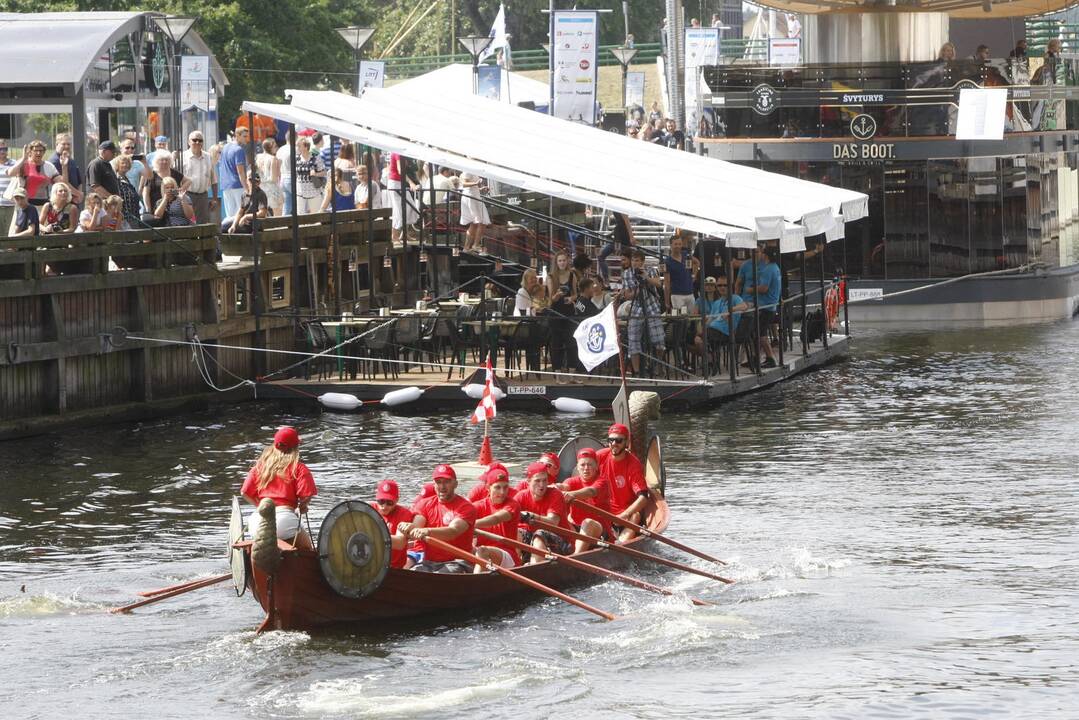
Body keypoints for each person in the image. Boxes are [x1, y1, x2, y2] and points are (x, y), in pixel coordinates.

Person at [241, 426, 318, 549]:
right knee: (308, 551)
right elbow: (306, 495)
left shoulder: (260, 467)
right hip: (285, 521)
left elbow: (244, 492)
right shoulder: (298, 468)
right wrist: (302, 506)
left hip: (258, 521)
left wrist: (263, 508)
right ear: (295, 448)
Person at [402, 464, 478, 573]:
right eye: (438, 482)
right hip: (429, 562)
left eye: (446, 482)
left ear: (455, 484)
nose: (442, 486)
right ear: (434, 485)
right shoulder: (424, 504)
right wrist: (409, 528)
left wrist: (427, 531)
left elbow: (453, 531)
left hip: (458, 562)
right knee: (413, 574)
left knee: (441, 575)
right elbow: (417, 525)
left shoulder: (466, 508)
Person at [596, 423, 652, 542]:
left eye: (618, 440)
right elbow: (581, 474)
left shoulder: (633, 464)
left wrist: (625, 514)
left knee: (635, 515)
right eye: (611, 440)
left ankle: (621, 544)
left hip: (625, 515)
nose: (614, 444)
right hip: (603, 512)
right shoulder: (600, 456)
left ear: (627, 443)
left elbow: (643, 497)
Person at [515, 461, 573, 562]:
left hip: (561, 542)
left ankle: (535, 567)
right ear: (528, 481)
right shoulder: (521, 496)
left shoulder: (555, 494)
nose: (542, 485)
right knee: (515, 532)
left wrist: (532, 516)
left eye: (545, 480)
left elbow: (553, 522)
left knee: (540, 534)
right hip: (535, 540)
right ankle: (516, 564)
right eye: (537, 481)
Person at [735, 244, 781, 369]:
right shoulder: (775, 267)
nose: (756, 254)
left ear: (764, 254)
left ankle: (770, 358)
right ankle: (755, 358)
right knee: (756, 332)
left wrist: (750, 290)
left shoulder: (768, 269)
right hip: (765, 305)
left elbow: (764, 288)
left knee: (761, 334)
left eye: (759, 252)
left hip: (764, 306)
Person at [558, 447, 611, 552]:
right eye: (582, 465)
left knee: (587, 523)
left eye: (590, 464)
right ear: (577, 467)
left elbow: (591, 491)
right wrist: (555, 488)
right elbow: (564, 486)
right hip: (576, 529)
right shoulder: (571, 481)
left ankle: (575, 558)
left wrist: (571, 495)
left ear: (596, 466)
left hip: (599, 531)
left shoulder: (602, 482)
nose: (586, 468)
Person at [622, 249, 666, 376]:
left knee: (659, 339)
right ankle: (636, 371)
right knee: (633, 338)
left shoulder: (651, 270)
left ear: (642, 261)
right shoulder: (626, 274)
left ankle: (658, 365)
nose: (634, 263)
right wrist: (637, 288)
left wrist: (646, 277)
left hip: (651, 305)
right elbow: (626, 295)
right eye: (633, 260)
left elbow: (658, 284)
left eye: (637, 261)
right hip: (636, 306)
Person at [472, 464, 522, 570]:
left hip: (508, 554)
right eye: (497, 487)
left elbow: (496, 518)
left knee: (482, 551)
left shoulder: (513, 505)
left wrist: (470, 524)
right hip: (483, 552)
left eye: (505, 487)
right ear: (488, 488)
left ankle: (475, 584)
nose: (502, 492)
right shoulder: (478, 506)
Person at [692, 275, 748, 367]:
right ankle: (710, 358)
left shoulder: (734, 298)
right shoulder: (717, 302)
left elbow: (744, 306)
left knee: (699, 339)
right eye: (720, 285)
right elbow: (710, 319)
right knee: (689, 338)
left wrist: (731, 309)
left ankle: (711, 360)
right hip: (712, 330)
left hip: (725, 332)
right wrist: (702, 329)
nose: (722, 287)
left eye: (725, 285)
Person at [546, 249, 578, 377]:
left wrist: (571, 298)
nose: (562, 263)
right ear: (556, 262)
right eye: (560, 261)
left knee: (571, 342)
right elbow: (550, 299)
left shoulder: (572, 275)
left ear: (567, 261)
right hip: (556, 312)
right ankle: (557, 372)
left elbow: (576, 294)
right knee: (556, 343)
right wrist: (557, 295)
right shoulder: (551, 277)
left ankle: (572, 372)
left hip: (569, 311)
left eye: (564, 260)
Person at [370, 480, 415, 569]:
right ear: (376, 498)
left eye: (389, 502)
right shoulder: (369, 509)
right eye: (381, 501)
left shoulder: (404, 513)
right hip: (373, 564)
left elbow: (400, 543)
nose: (384, 506)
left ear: (397, 500)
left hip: (394, 567)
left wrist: (371, 536)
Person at [8, 140, 60, 207]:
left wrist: (64, 167)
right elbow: (10, 173)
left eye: (41, 151)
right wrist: (23, 158)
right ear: (30, 152)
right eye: (35, 150)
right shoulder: (23, 164)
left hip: (43, 202)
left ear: (44, 152)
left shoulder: (49, 166)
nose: (38, 153)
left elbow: (60, 182)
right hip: (25, 203)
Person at [183, 131, 218, 224]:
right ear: (189, 142)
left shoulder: (208, 157)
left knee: (202, 224)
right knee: (187, 222)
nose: (197, 142)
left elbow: (213, 179)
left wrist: (214, 199)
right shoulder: (183, 156)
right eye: (194, 140)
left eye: (200, 140)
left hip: (203, 196)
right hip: (187, 195)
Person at [142, 154, 190, 222]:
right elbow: (145, 193)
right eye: (162, 160)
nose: (164, 162)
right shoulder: (152, 174)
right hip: (156, 205)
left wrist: (180, 190)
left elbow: (189, 181)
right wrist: (148, 209)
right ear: (157, 161)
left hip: (174, 205)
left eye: (166, 160)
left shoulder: (174, 172)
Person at [386, 152, 420, 244]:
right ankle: (394, 237)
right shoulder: (397, 152)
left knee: (410, 207)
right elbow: (400, 170)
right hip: (395, 183)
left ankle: (404, 235)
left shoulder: (403, 153)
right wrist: (411, 183)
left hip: (400, 183)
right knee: (399, 210)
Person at [219, 127, 250, 220]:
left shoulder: (225, 147)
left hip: (226, 185)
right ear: (237, 136)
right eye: (244, 136)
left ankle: (230, 233)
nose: (246, 139)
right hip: (238, 185)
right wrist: (247, 189)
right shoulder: (238, 150)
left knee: (230, 216)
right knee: (240, 215)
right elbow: (241, 172)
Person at [664, 234, 697, 314]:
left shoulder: (686, 254)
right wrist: (667, 302)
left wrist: (694, 275)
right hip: (677, 294)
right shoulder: (667, 262)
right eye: (675, 244)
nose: (678, 246)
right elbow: (667, 283)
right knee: (680, 320)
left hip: (690, 293)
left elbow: (697, 262)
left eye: (679, 244)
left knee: (692, 319)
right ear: (671, 245)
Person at [47, 133, 84, 204]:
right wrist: (78, 194)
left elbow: (79, 181)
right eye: (63, 144)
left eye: (68, 144)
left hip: (74, 201)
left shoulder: (71, 160)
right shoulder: (54, 161)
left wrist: (78, 196)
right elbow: (62, 183)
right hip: (61, 201)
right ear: (57, 144)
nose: (66, 146)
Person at [293, 136, 326, 215]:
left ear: (306, 147)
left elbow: (324, 172)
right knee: (300, 215)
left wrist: (316, 174)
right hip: (300, 192)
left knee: (316, 215)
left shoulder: (315, 157)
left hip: (313, 192)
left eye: (299, 146)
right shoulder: (296, 158)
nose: (297, 148)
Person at [459, 171, 490, 253]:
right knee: (481, 221)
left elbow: (470, 186)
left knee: (475, 223)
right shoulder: (467, 170)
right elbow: (464, 184)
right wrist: (476, 183)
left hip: (474, 196)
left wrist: (480, 188)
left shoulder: (472, 170)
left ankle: (467, 247)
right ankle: (475, 245)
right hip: (471, 197)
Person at [599, 211, 634, 282]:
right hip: (618, 238)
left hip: (623, 238)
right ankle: (607, 278)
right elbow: (620, 225)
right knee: (601, 256)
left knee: (627, 259)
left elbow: (627, 222)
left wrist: (631, 237)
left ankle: (627, 277)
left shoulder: (620, 207)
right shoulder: (615, 209)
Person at [111, 154, 142, 229]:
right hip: (122, 219)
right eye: (123, 163)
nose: (125, 165)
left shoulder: (126, 179)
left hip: (133, 217)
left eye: (127, 163)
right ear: (117, 165)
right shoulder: (114, 180)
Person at [0, 140, 15, 235]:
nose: (2, 151)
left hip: (11, 205)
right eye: (0, 149)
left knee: (10, 233)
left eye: (4, 149)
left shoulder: (14, 163)